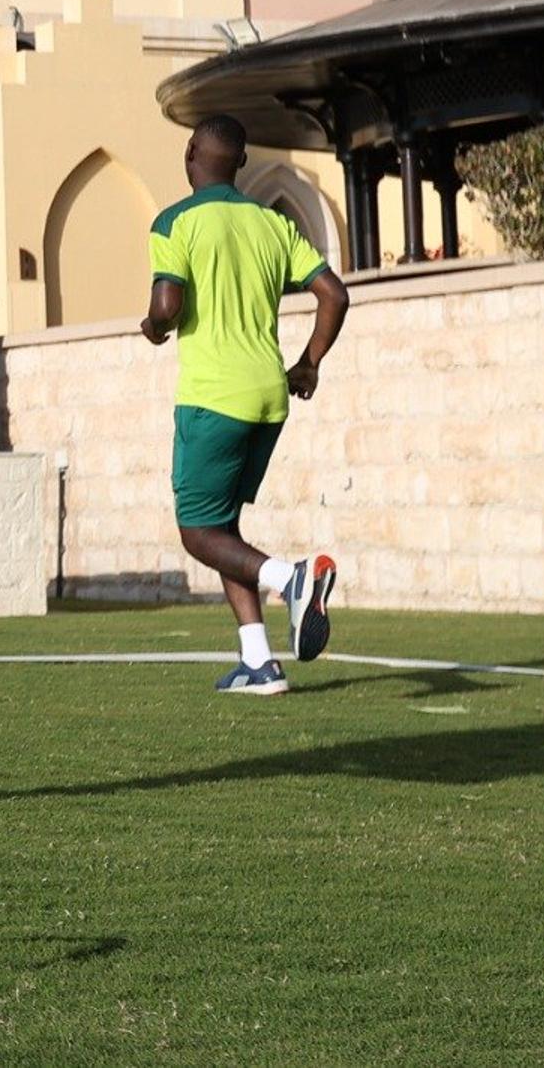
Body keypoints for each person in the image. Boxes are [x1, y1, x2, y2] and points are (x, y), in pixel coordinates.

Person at [141, 114, 351, 696]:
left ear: (190, 154)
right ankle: (258, 663)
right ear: (240, 164)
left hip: (213, 398)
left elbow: (166, 303)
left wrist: (155, 328)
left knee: (196, 532)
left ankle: (293, 580)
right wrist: (308, 362)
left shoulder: (174, 221)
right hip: (268, 396)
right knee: (224, 524)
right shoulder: (271, 222)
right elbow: (334, 293)